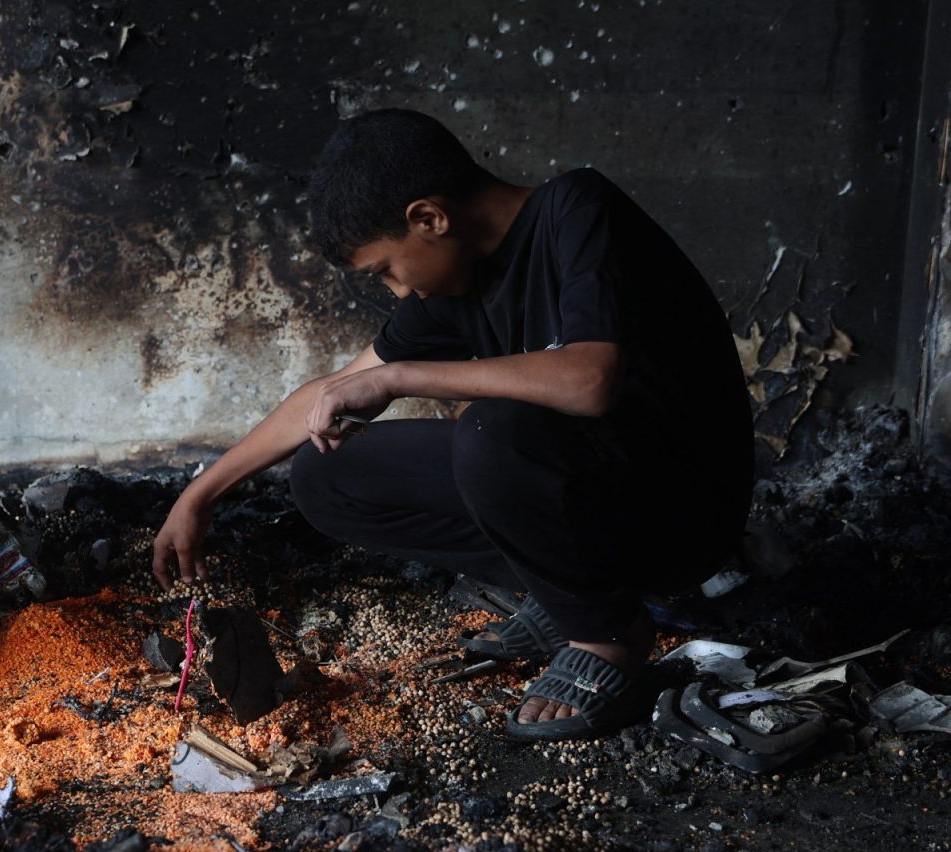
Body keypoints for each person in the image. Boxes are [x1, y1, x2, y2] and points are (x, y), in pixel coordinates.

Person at [151, 109, 753, 741]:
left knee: (493, 432)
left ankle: (610, 636)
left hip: (682, 511)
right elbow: (329, 394)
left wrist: (403, 376)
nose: (394, 290)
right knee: (328, 474)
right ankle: (568, 593)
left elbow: (589, 380)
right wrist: (202, 493)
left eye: (385, 268)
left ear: (429, 219)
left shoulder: (577, 208)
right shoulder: (454, 283)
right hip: (589, 500)